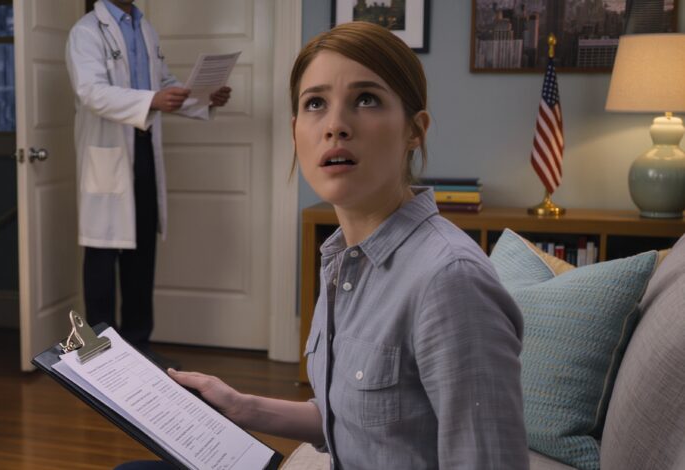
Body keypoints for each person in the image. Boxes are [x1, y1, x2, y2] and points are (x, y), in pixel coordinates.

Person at [118, 21, 528, 469]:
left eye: (366, 99)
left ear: (415, 130)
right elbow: (349, 419)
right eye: (315, 103)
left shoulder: (451, 283)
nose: (335, 126)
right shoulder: (342, 259)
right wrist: (239, 405)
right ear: (296, 131)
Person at [65, 0, 231, 350]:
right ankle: (99, 357)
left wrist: (204, 98)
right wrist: (153, 100)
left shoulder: (145, 28)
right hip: (107, 156)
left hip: (143, 150)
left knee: (142, 256)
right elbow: (91, 92)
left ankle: (139, 349)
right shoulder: (86, 32)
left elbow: (164, 83)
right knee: (102, 259)